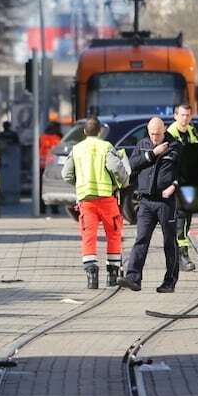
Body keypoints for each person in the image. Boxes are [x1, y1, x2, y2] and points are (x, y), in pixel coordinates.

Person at [61, 116, 128, 288]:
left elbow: (66, 174)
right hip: (107, 199)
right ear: (100, 132)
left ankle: (91, 274)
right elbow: (115, 168)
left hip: (86, 201)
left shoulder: (76, 149)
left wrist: (80, 182)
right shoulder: (105, 147)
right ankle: (112, 275)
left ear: (84, 132)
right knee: (113, 234)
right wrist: (123, 182)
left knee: (88, 236)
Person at [118, 118, 182, 293]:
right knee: (141, 239)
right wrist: (152, 153)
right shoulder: (143, 144)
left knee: (170, 242)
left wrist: (174, 186)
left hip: (166, 202)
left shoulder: (175, 146)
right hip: (146, 201)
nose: (155, 137)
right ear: (148, 131)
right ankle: (133, 278)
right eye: (152, 134)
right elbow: (131, 166)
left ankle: (170, 281)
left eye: (158, 134)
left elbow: (184, 173)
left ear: (165, 130)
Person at [165, 103, 198, 272]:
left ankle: (177, 255)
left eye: (188, 115)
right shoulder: (169, 135)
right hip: (175, 183)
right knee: (180, 218)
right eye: (182, 115)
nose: (185, 118)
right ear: (175, 116)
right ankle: (182, 255)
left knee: (186, 219)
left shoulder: (193, 131)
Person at [38, 121, 62, 215]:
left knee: (41, 189)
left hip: (42, 166)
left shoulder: (42, 138)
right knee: (53, 187)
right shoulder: (58, 139)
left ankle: (42, 208)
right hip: (52, 166)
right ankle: (54, 208)